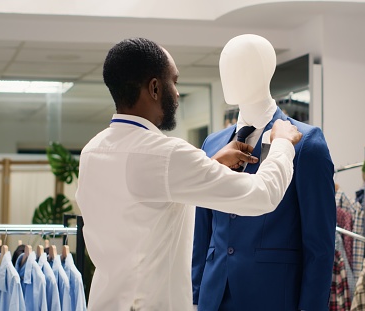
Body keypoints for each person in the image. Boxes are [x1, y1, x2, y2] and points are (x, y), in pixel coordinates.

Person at [75, 37, 303, 311]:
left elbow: (147, 197)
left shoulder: (92, 151)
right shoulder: (166, 155)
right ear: (155, 88)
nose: (178, 93)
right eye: (175, 81)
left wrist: (209, 163)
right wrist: (281, 144)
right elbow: (262, 195)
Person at [192, 34, 336, 311]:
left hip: (273, 296)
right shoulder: (213, 143)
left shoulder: (307, 142)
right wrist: (195, 295)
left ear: (266, 70)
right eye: (225, 65)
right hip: (214, 295)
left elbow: (320, 244)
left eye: (240, 65)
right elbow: (203, 230)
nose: (228, 74)